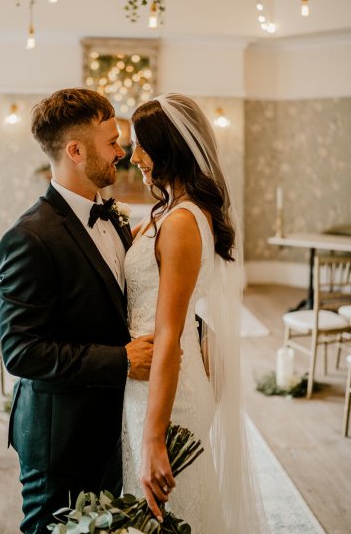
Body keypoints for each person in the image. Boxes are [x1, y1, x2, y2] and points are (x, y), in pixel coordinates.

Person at [0, 88, 154, 534]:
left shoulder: (115, 218)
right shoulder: (29, 238)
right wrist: (123, 361)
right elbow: (22, 351)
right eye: (112, 142)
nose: (122, 153)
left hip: (112, 424)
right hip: (60, 438)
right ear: (76, 150)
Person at [122, 93, 266, 533]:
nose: (134, 157)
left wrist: (153, 437)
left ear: (169, 148)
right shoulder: (167, 211)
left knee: (174, 511)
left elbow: (169, 333)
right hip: (149, 380)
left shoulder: (182, 222)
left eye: (142, 146)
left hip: (171, 391)